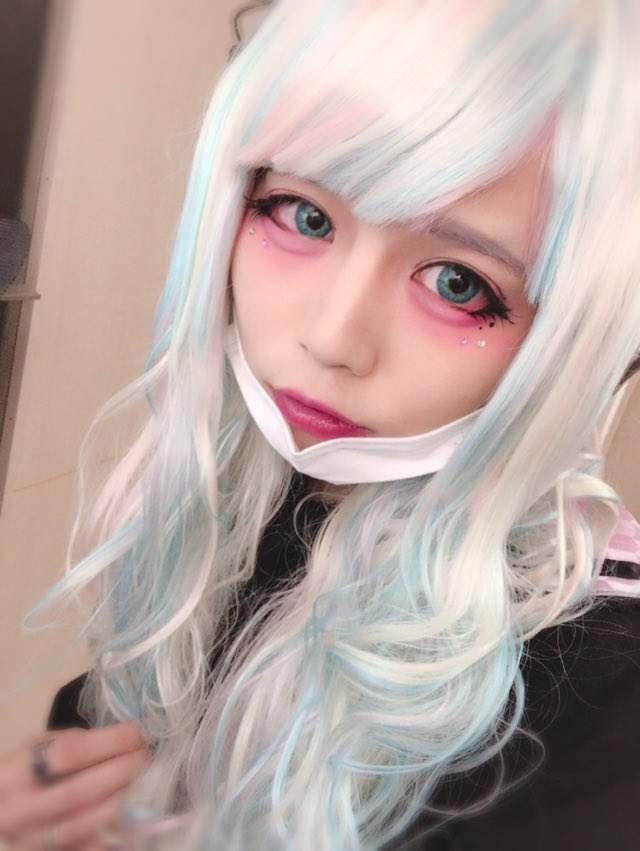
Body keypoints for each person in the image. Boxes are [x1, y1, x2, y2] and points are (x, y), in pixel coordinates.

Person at [4, 0, 640, 848]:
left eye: (458, 284)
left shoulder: (607, 699)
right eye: (304, 215)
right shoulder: (262, 495)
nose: (331, 337)